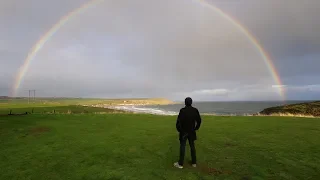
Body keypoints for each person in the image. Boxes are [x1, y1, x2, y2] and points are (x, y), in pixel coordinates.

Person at [174, 97, 202, 169]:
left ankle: (180, 164)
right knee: (192, 146)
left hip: (184, 132)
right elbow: (199, 120)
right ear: (191, 102)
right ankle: (194, 163)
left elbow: (178, 122)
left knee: (182, 146)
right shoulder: (195, 110)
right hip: (192, 131)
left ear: (185, 103)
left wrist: (180, 130)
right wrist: (196, 128)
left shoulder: (182, 111)